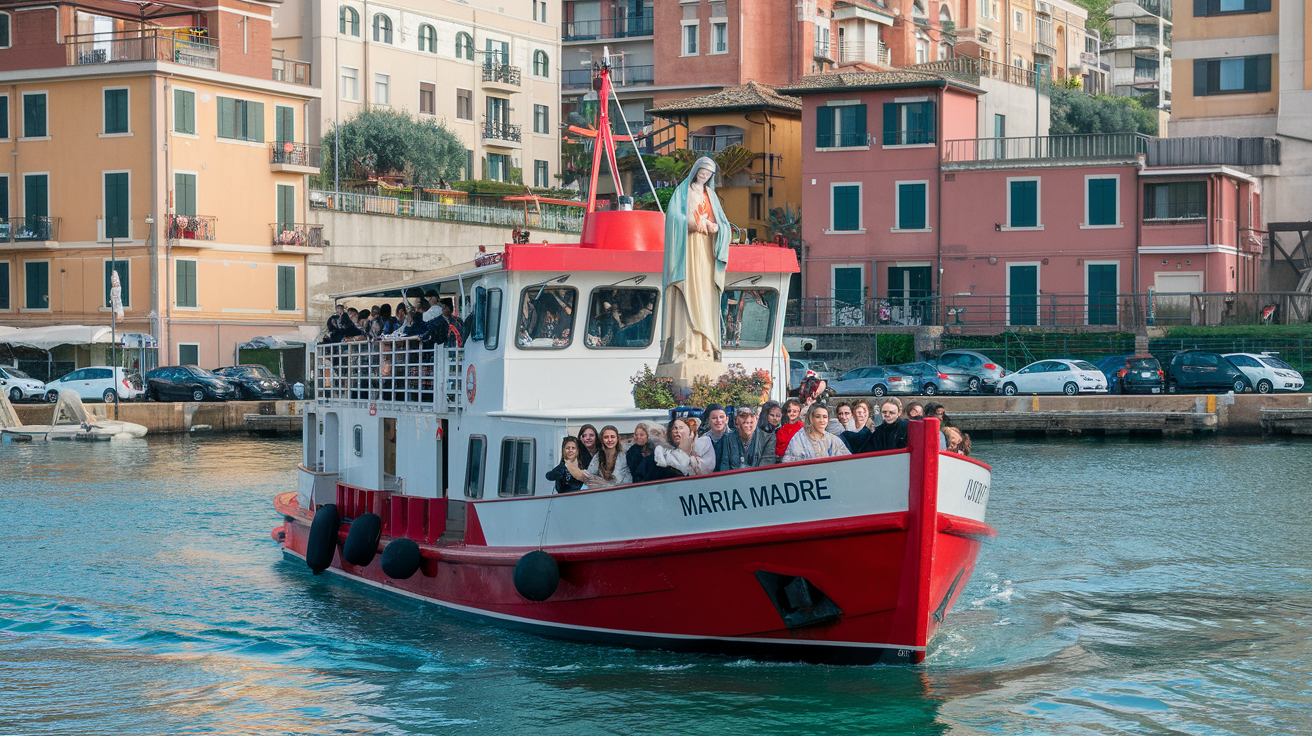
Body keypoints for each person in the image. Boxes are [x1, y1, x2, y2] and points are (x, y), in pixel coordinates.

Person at [658, 156, 730, 384]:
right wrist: (695, 224)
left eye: (709, 173)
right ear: (696, 171)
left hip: (706, 252)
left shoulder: (712, 197)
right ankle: (685, 346)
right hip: (687, 250)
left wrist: (715, 227)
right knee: (687, 291)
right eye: (703, 171)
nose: (705, 175)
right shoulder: (683, 192)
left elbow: (723, 224)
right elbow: (673, 218)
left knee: (705, 295)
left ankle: (705, 346)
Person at [783, 404, 852, 462]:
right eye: (818, 417)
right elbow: (790, 466)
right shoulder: (799, 439)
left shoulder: (833, 440)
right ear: (811, 418)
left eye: (824, 417)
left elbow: (847, 462)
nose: (822, 420)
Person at [702, 404, 731, 471]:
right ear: (708, 421)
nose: (718, 420)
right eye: (714, 418)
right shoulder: (703, 440)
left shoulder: (735, 438)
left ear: (727, 419)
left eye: (721, 417)